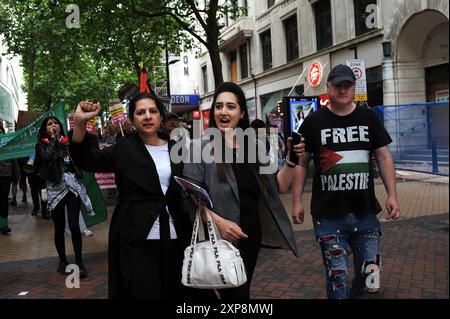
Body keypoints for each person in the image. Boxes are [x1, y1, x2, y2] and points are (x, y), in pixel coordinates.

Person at [69, 93, 209, 299]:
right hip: (136, 239)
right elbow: (86, 160)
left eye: (153, 111)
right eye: (140, 112)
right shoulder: (124, 148)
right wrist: (80, 123)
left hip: (177, 238)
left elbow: (191, 183)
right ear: (132, 120)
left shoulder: (177, 149)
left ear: (161, 116)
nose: (147, 116)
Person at [183, 82, 301, 299]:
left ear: (241, 113)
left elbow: (278, 186)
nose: (223, 112)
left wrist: (292, 161)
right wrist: (219, 223)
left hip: (250, 237)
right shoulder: (199, 148)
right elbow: (189, 197)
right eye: (218, 106)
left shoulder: (254, 146)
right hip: (220, 239)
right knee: (234, 296)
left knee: (242, 292)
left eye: (230, 106)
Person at [293, 64, 400, 299]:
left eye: (347, 85)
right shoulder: (312, 122)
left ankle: (355, 292)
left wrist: (392, 195)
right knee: (336, 277)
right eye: (338, 85)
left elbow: (383, 156)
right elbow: (301, 163)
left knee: (370, 273)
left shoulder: (368, 117)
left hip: (365, 214)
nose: (343, 90)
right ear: (328, 87)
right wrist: (297, 201)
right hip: (328, 215)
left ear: (354, 88)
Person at [34, 116, 89, 278]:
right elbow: (46, 157)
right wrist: (53, 140)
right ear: (45, 129)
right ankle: (62, 261)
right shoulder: (42, 145)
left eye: (55, 123)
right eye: (49, 124)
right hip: (54, 188)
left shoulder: (69, 142)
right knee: (59, 227)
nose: (53, 126)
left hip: (71, 187)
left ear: (60, 126)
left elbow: (78, 159)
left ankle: (79, 262)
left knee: (74, 225)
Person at [0, 127, 20, 234]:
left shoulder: (7, 141)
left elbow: (13, 158)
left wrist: (17, 175)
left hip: (6, 174)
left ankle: (4, 224)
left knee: (3, 198)